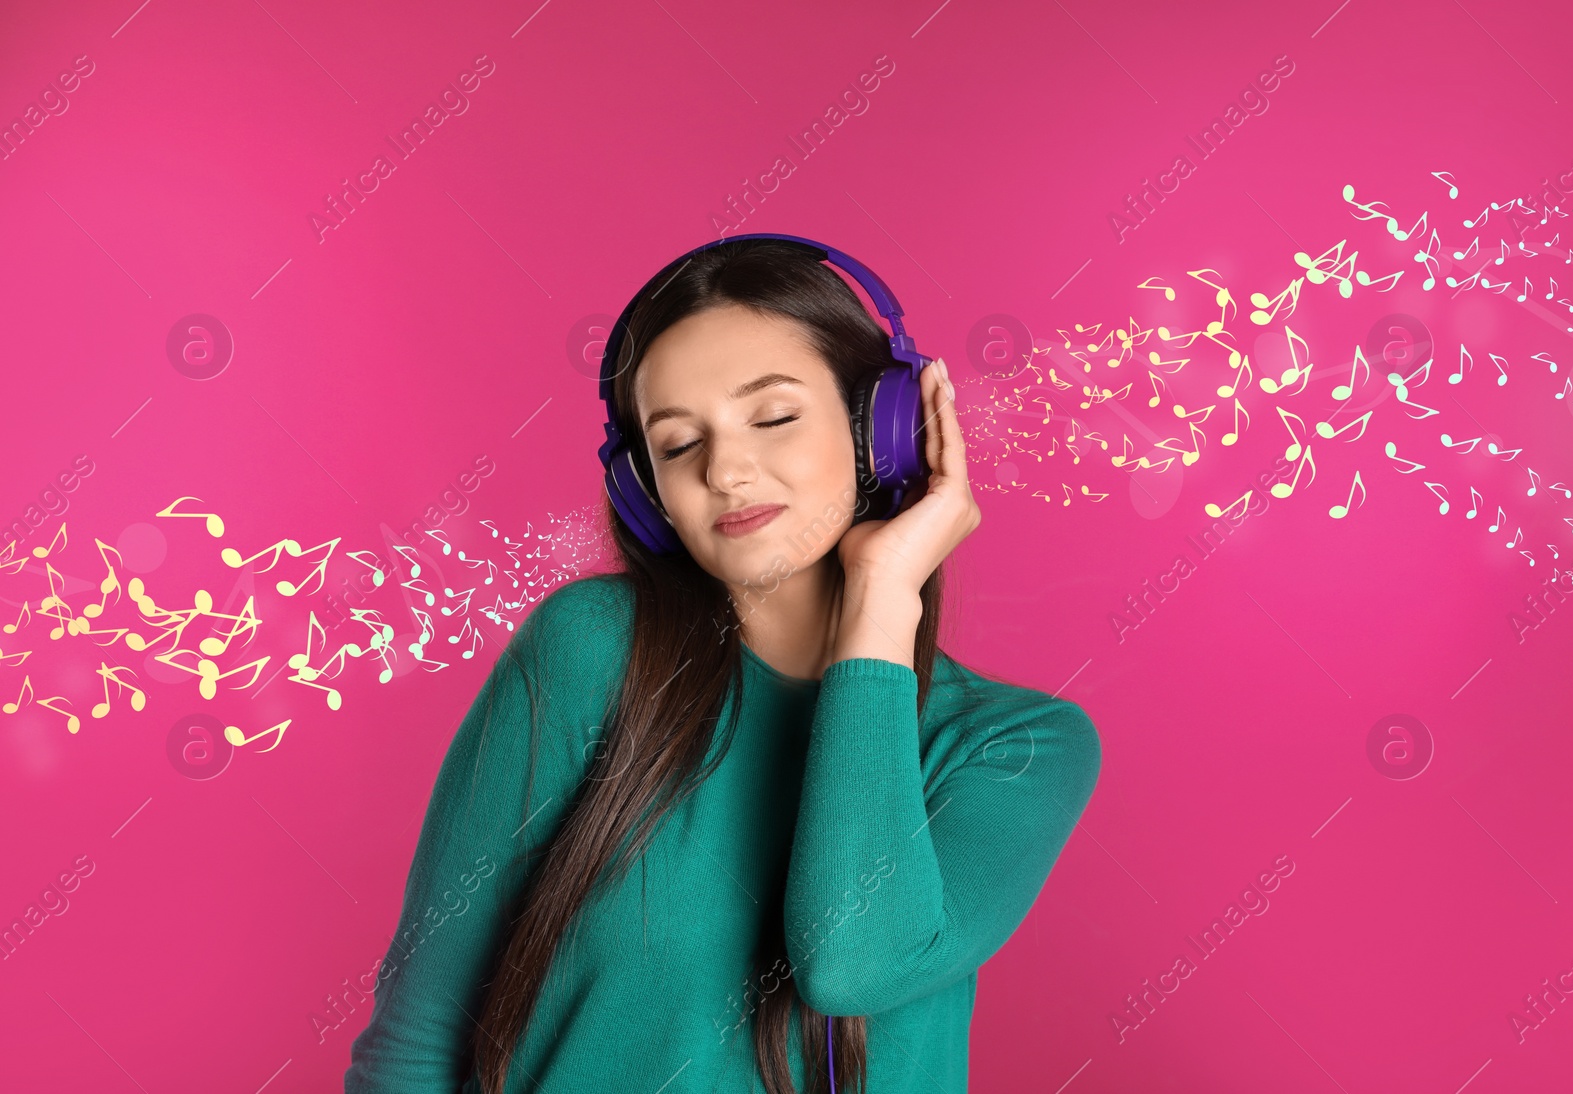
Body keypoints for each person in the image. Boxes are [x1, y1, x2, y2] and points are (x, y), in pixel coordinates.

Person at [344, 238, 1102, 1093]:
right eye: (677, 445)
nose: (728, 472)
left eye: (773, 417)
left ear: (882, 431)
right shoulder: (593, 649)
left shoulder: (1017, 747)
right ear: (645, 489)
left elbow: (849, 965)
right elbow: (417, 1039)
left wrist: (883, 596)